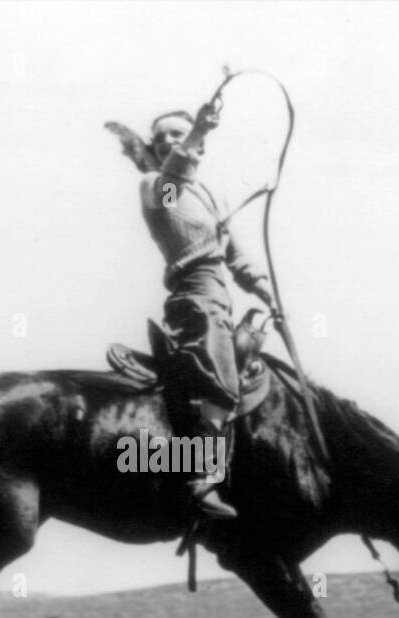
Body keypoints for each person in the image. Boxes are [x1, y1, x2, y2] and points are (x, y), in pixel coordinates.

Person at [107, 104, 276, 519]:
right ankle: (200, 479)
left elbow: (233, 254)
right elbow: (173, 183)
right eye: (162, 136)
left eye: (177, 134)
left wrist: (261, 287)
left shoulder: (213, 197)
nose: (171, 142)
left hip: (220, 291)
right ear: (152, 148)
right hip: (193, 294)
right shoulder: (156, 186)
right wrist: (197, 131)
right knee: (220, 380)